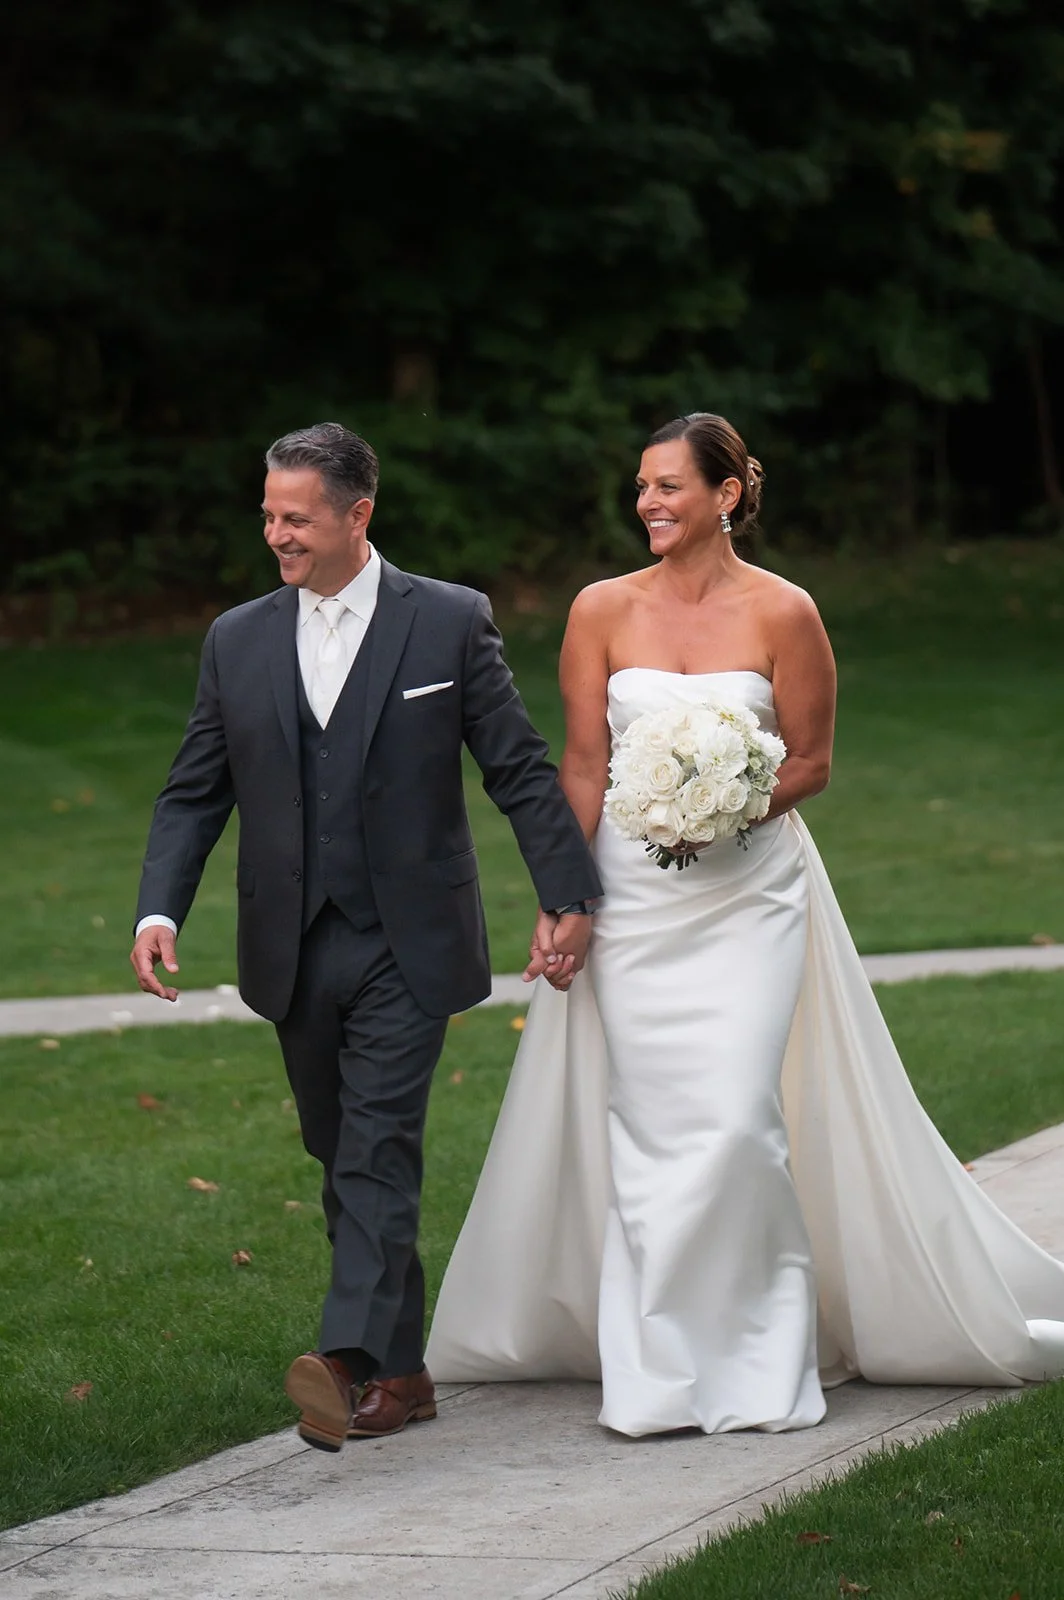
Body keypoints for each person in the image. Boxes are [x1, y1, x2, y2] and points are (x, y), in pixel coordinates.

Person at [426, 411, 1064, 1435]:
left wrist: (724, 805)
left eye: (668, 486)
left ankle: (757, 1354)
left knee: (733, 1121)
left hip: (749, 898)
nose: (647, 502)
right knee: (648, 1129)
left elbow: (810, 763)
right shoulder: (599, 609)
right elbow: (583, 766)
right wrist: (562, 895)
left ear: (725, 494)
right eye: (641, 486)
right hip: (632, 904)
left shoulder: (785, 611)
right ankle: (657, 1366)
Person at [130, 422, 602, 1452]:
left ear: (358, 515)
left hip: (409, 938)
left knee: (377, 1147)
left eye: (296, 518)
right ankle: (405, 1371)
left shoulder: (448, 620)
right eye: (268, 515)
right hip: (290, 944)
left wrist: (568, 889)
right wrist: (160, 909)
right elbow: (194, 791)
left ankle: (344, 1361)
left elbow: (517, 767)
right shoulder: (236, 638)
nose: (277, 535)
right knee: (339, 1149)